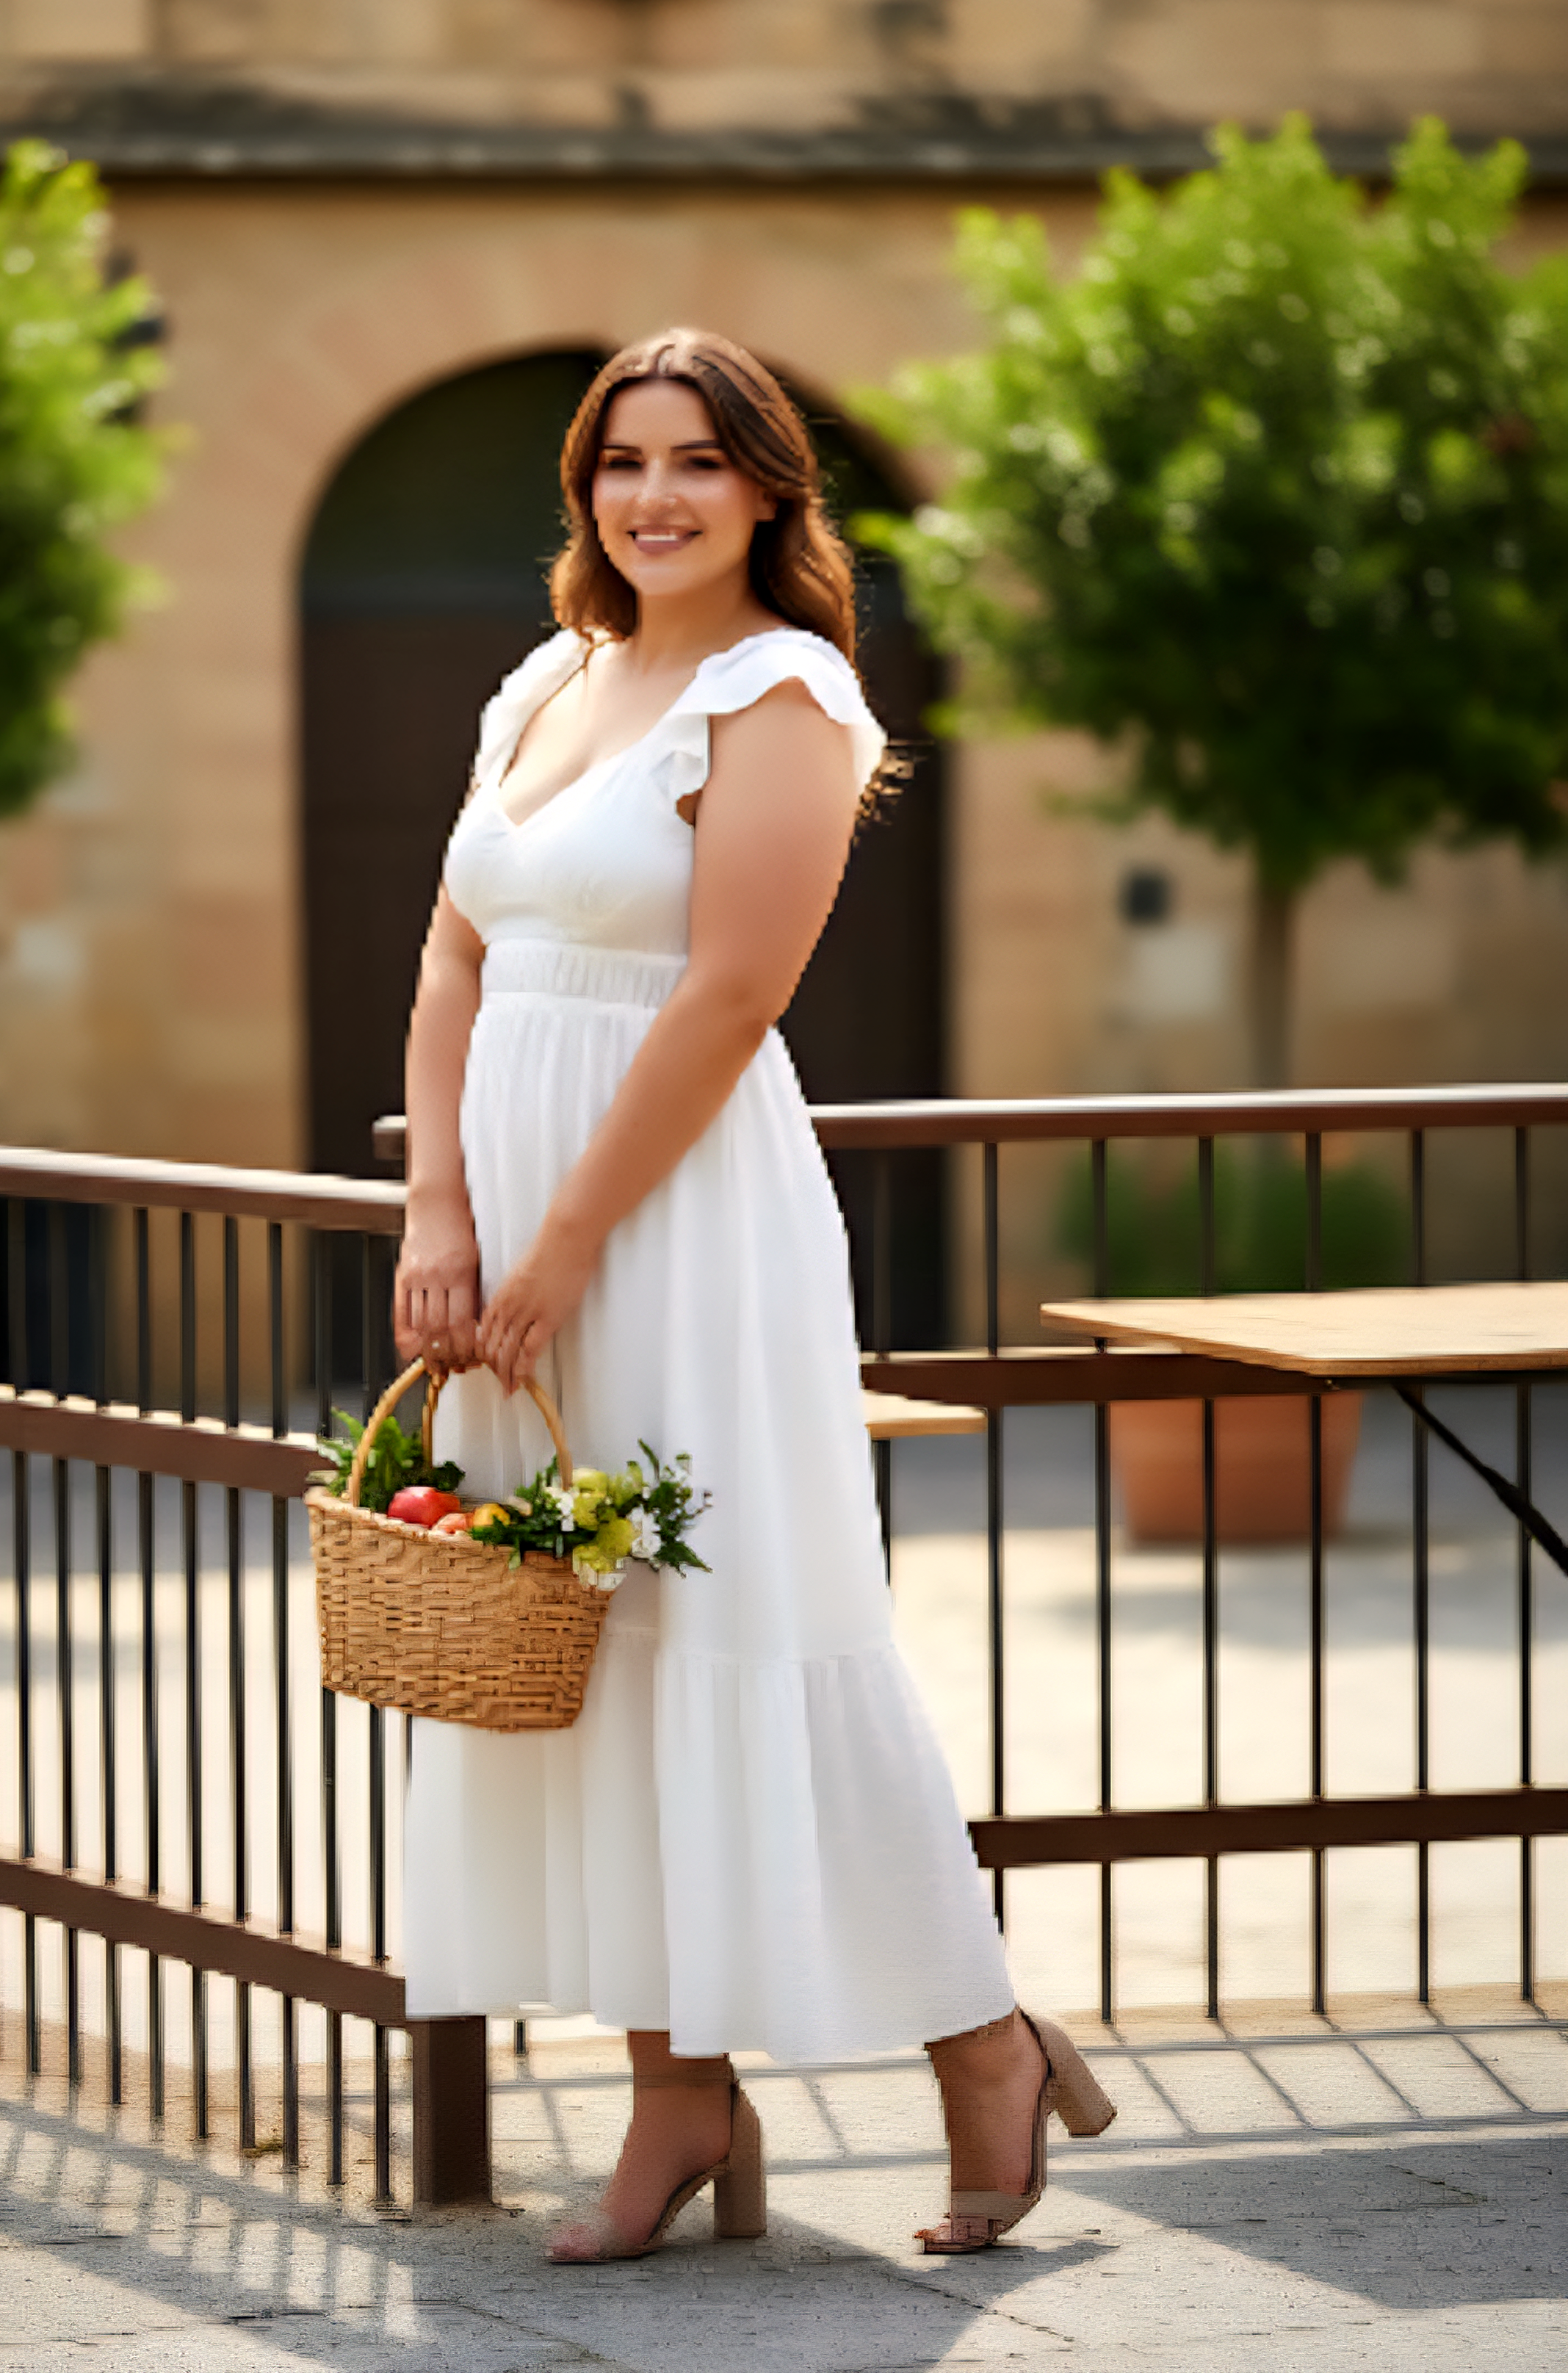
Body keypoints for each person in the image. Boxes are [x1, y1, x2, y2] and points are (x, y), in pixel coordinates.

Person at [393, 329, 1113, 2260]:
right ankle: (678, 2108)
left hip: (682, 1220)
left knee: (750, 1618)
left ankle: (982, 2046)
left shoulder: (786, 690)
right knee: (584, 1650)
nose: (654, 496)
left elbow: (729, 999)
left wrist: (559, 1250)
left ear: (773, 493)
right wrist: (442, 1206)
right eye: (622, 462)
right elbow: (456, 951)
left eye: (698, 463)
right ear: (583, 489)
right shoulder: (544, 679)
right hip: (510, 1212)